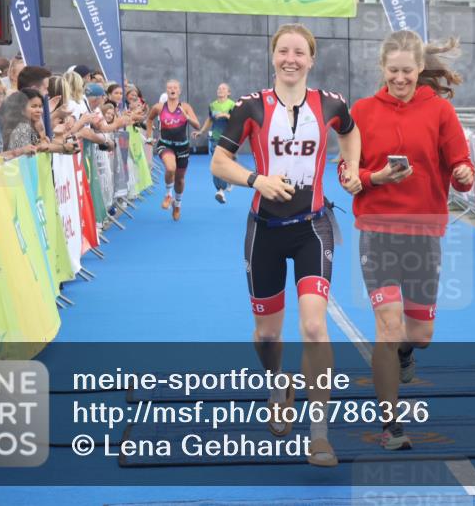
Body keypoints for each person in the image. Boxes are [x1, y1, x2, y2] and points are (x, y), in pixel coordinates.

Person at [211, 23, 362, 467]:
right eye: (283, 52)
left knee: (314, 326)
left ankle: (320, 434)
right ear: (272, 56)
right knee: (267, 335)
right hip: (264, 231)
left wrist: (349, 166)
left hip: (313, 227)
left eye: (300, 52)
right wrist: (256, 179)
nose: (291, 59)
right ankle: (279, 382)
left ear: (312, 60)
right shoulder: (250, 106)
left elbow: (350, 132)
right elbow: (220, 161)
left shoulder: (331, 103)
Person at [340, 30, 475, 450]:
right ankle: (390, 423)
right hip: (377, 231)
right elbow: (347, 176)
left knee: (418, 335)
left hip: (424, 232)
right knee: (388, 326)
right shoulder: (360, 111)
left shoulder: (439, 111)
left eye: (407, 71)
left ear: (420, 69)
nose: (400, 79)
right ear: (382, 69)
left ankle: (405, 352)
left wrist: (464, 174)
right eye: (393, 71)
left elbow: (461, 162)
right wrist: (372, 177)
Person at [145, 80, 200, 221]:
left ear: (179, 90)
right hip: (165, 144)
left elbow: (197, 126)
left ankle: (178, 204)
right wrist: (149, 137)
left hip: (182, 146)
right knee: (170, 168)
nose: (172, 89)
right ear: (166, 90)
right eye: (169, 87)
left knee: (180, 179)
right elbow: (149, 119)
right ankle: (168, 195)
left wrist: (188, 118)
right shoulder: (159, 107)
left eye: (175, 87)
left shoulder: (186, 107)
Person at [196, 82, 236, 203]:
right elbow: (209, 119)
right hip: (215, 138)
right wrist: (201, 131)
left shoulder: (232, 104)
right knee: (216, 164)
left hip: (228, 139)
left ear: (228, 92)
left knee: (226, 163)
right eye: (219, 88)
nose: (220, 90)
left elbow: (237, 120)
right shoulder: (212, 105)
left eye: (223, 88)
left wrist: (226, 115)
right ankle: (220, 190)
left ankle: (230, 180)